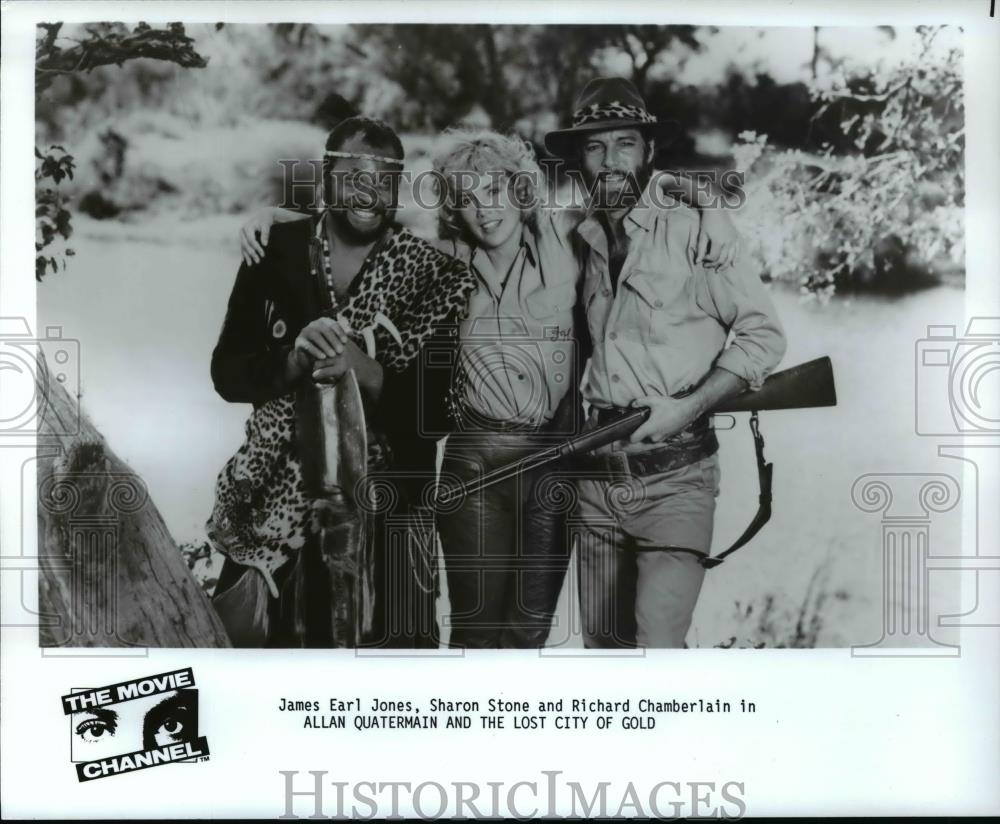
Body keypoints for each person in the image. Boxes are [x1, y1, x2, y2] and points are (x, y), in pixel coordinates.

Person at [237, 121, 745, 649]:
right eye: (468, 198)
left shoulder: (567, 239)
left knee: (528, 634)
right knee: (476, 635)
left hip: (554, 460)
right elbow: (362, 222)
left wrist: (707, 203)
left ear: (521, 189)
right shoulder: (446, 258)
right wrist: (275, 218)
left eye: (496, 190)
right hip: (473, 462)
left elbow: (636, 189)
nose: (486, 209)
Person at [207, 116, 476, 648]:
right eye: (353, 176)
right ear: (327, 178)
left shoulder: (429, 273)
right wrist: (290, 363)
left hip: (392, 512)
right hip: (276, 511)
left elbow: (436, 415)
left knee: (393, 683)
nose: (368, 192)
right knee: (267, 666)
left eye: (384, 180)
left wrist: (364, 369)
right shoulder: (274, 251)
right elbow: (226, 372)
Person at [543, 76, 788, 648]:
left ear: (649, 151)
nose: (609, 161)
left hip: (678, 479)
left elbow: (763, 337)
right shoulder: (581, 236)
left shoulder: (698, 233)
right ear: (579, 157)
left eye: (624, 143)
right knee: (604, 652)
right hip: (596, 478)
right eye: (595, 146)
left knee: (659, 653)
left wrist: (689, 406)